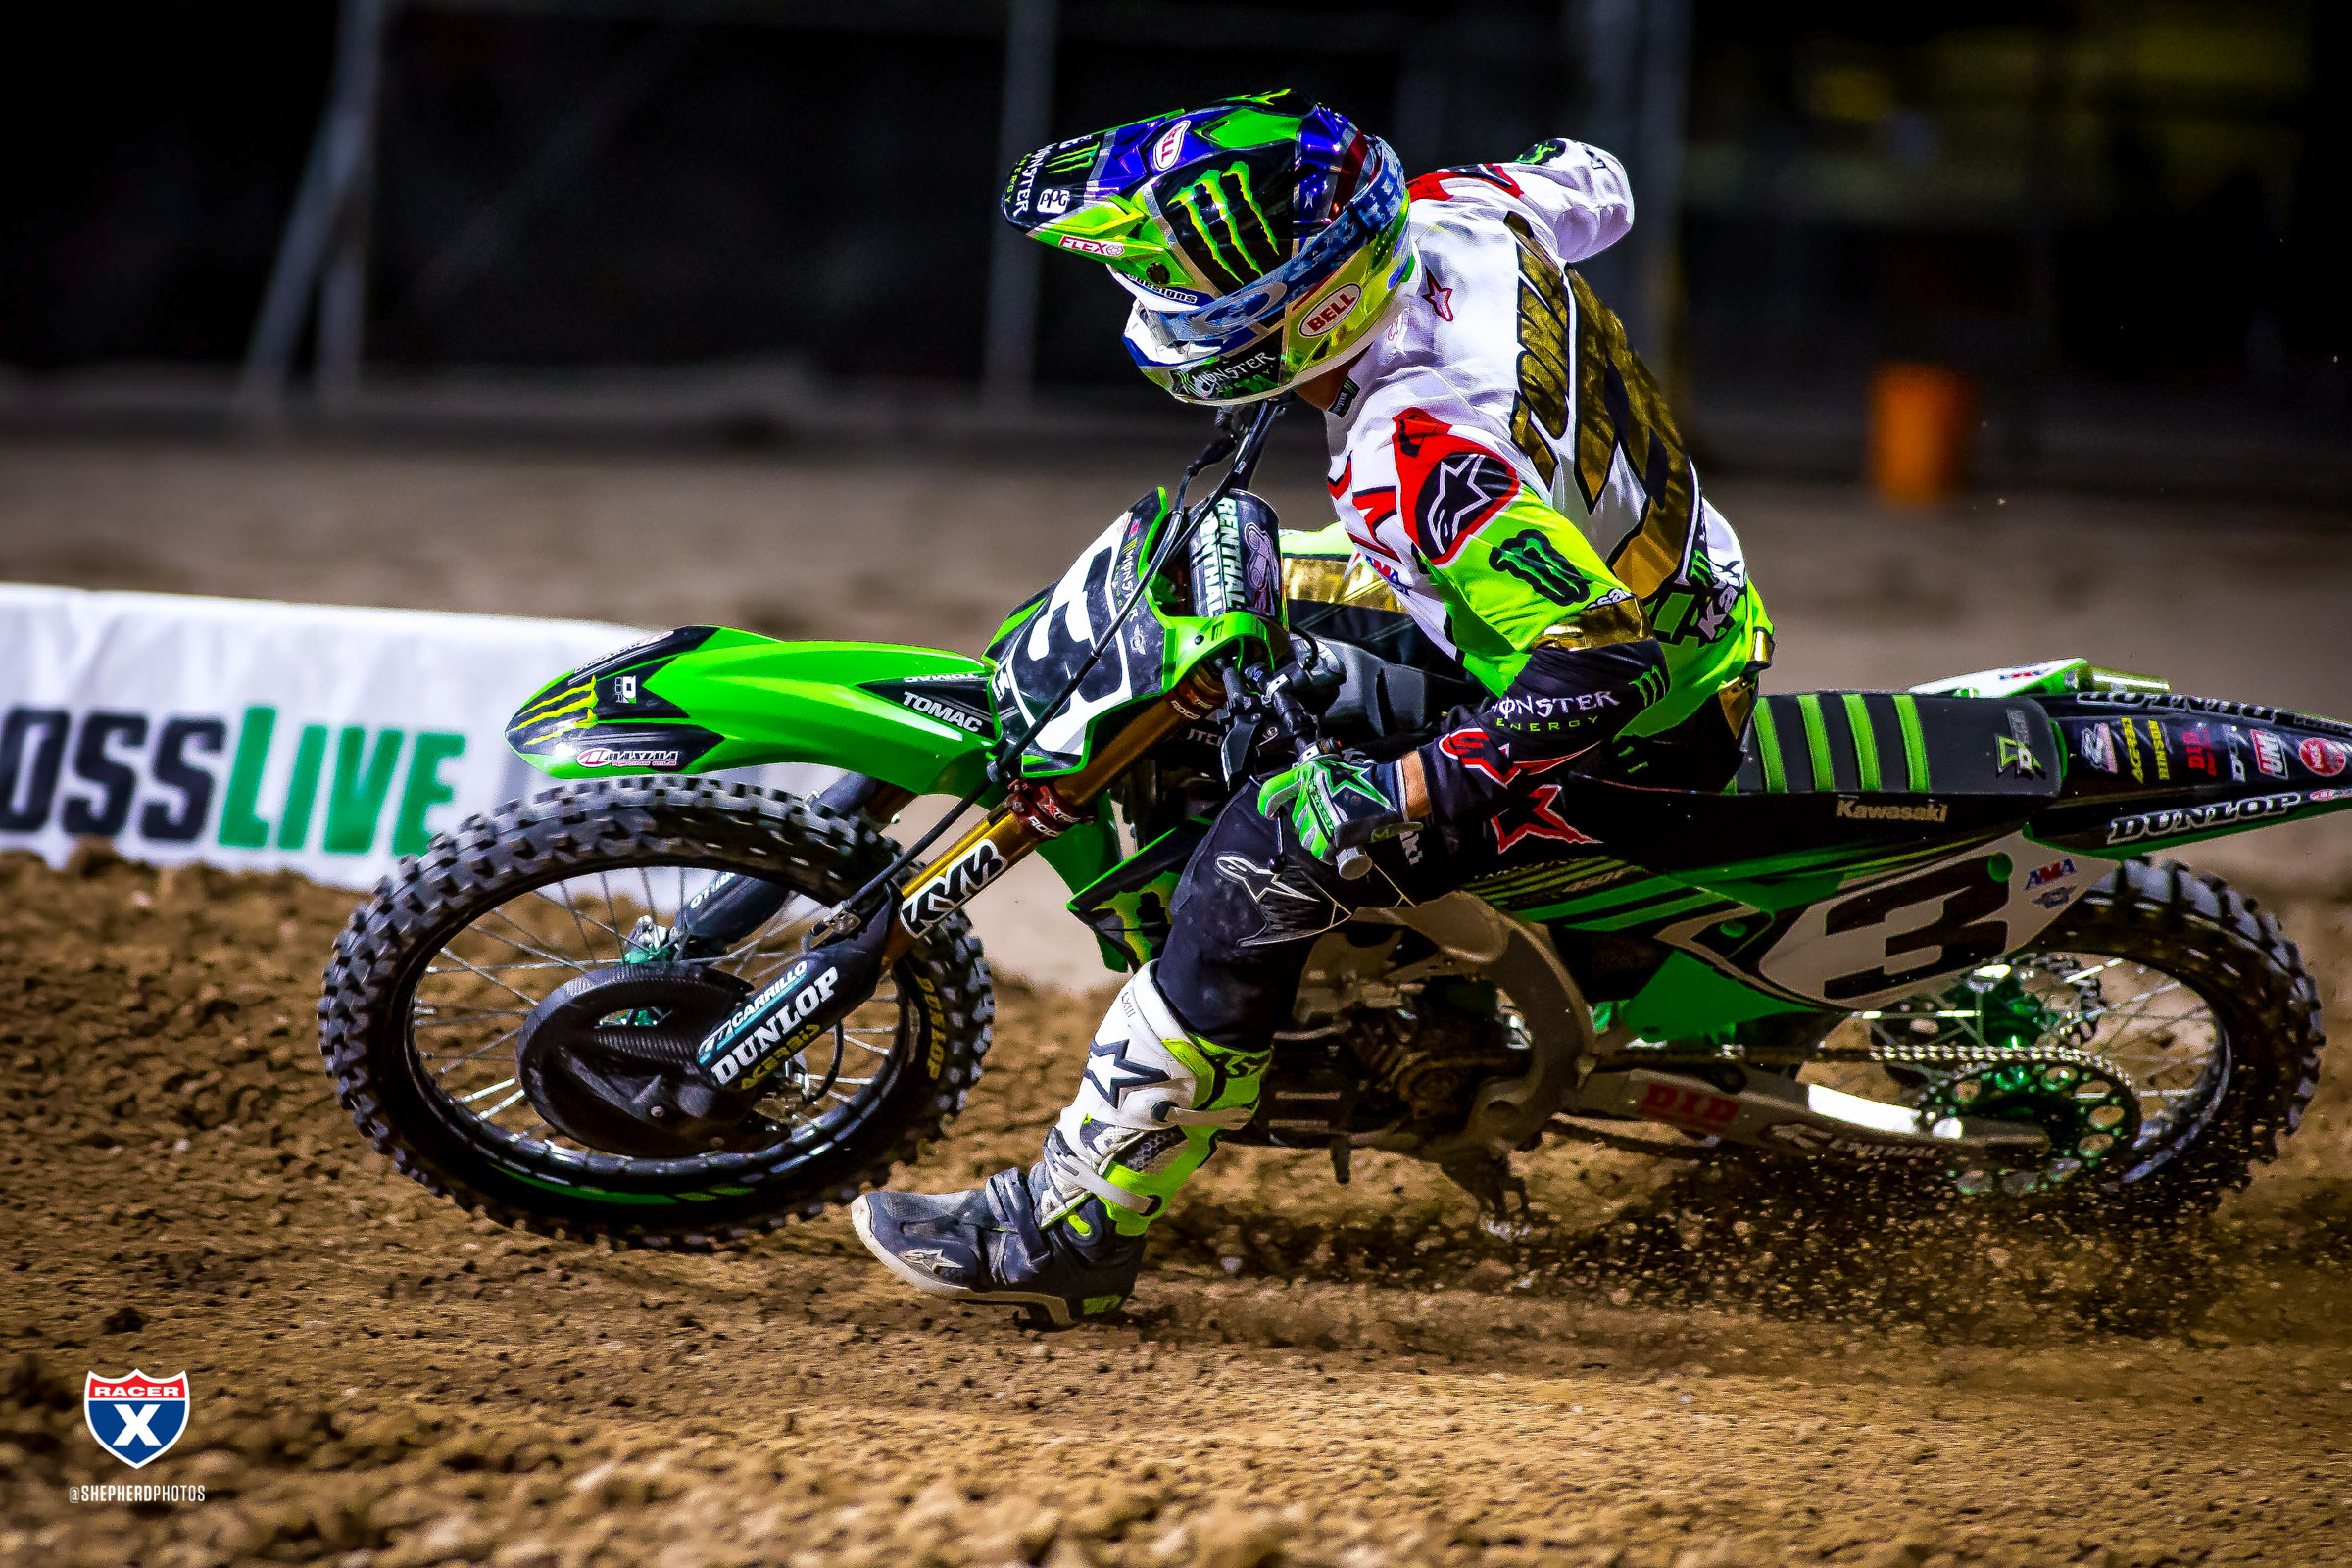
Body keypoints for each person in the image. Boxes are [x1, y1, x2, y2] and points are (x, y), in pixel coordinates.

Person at [851, 91, 1773, 1324]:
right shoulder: (1461, 211)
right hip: (1657, 585)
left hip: (1636, 726)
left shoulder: (1419, 452)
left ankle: (1077, 1226)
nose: (1160, 297)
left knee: (1271, 846)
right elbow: (1595, 177)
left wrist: (1404, 787)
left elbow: (1600, 668)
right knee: (1204, 600)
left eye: (1181, 281)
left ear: (1299, 305)